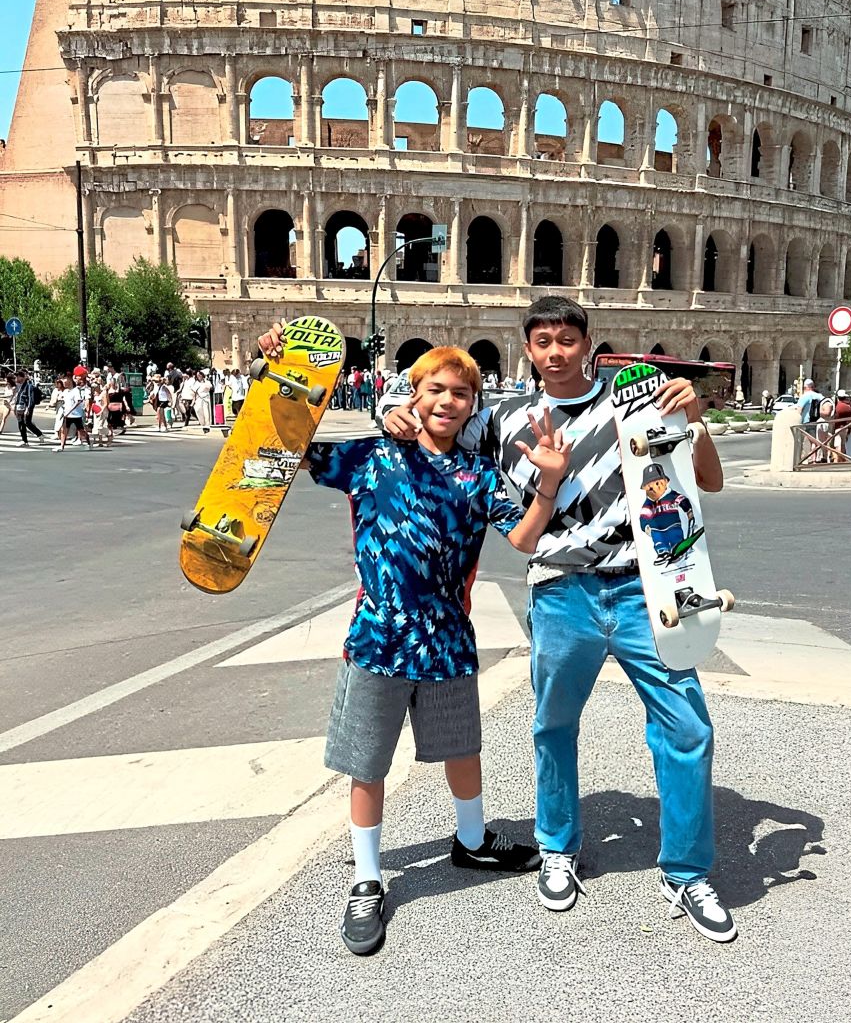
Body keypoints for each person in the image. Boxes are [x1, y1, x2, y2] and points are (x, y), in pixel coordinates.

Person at [382, 296, 736, 942]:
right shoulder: (503, 418)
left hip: (644, 589)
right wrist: (393, 411)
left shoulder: (638, 402)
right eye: (542, 341)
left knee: (687, 729)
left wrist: (696, 418)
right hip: (560, 591)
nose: (554, 351)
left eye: (566, 339)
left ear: (588, 343)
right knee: (553, 727)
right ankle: (558, 849)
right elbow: (433, 423)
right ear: (528, 350)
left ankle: (686, 874)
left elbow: (706, 481)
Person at [255, 335, 572, 957]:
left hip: (449, 640)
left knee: (462, 748)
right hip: (377, 639)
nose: (448, 402)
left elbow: (526, 540)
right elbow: (288, 443)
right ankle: (368, 879)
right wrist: (277, 369)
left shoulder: (479, 475)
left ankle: (472, 840)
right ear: (413, 394)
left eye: (461, 393)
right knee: (367, 763)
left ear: (473, 405)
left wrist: (547, 486)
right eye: (436, 390)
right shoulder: (374, 459)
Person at [59, 374, 91, 451]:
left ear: (70, 381)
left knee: (81, 431)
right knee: (64, 430)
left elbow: (78, 402)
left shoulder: (76, 391)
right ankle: (62, 446)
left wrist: (69, 411)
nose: (63, 382)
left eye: (65, 380)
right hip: (67, 415)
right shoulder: (66, 391)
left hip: (76, 415)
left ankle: (89, 443)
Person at [12, 370, 44, 447]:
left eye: (17, 377)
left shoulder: (29, 386)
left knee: (27, 423)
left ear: (21, 377)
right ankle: (24, 440)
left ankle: (39, 434)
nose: (16, 379)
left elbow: (30, 399)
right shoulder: (20, 386)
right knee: (21, 424)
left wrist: (28, 409)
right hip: (19, 408)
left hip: (26, 408)